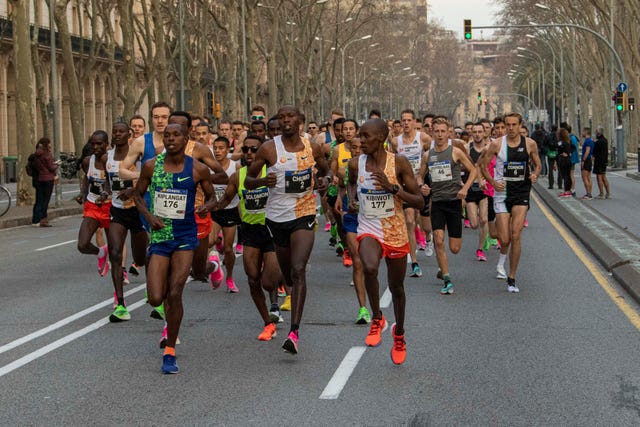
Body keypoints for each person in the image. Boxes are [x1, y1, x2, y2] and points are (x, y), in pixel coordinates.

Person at [244, 105, 329, 355]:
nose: (286, 120)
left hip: (303, 213)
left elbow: (325, 169)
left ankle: (294, 331)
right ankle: (290, 288)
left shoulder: (311, 146)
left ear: (300, 120)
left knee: (298, 268)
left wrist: (324, 180)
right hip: (276, 218)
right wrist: (262, 181)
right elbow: (248, 180)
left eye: (290, 116)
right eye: (282, 117)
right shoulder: (269, 148)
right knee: (288, 275)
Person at [134, 123, 215, 374]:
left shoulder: (197, 169)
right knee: (156, 297)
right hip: (160, 237)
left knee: (176, 291)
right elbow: (137, 195)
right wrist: (148, 217)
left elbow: (213, 197)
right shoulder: (151, 166)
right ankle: (168, 319)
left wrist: (205, 207)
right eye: (167, 135)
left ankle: (170, 350)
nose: (170, 139)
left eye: (176, 135)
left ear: (185, 138)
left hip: (184, 236)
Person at [347, 118, 424, 365]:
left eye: (366, 136)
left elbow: (419, 202)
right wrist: (350, 199)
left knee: (397, 287)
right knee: (368, 266)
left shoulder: (398, 163)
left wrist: (393, 189)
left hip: (395, 231)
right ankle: (377, 318)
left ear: (380, 137)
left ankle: (399, 333)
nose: (360, 141)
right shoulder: (355, 164)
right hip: (369, 226)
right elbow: (349, 185)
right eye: (360, 136)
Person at [208, 134, 283, 340]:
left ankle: (276, 298)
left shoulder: (273, 172)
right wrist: (204, 208)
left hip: (272, 229)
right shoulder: (238, 176)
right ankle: (267, 323)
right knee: (252, 278)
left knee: (269, 280)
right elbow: (224, 201)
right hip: (250, 230)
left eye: (254, 149)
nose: (249, 153)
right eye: (246, 149)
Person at [479, 113, 541, 293]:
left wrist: (535, 174)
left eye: (514, 124)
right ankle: (502, 260)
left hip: (521, 192)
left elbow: (537, 164)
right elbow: (483, 165)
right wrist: (492, 182)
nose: (511, 128)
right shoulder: (497, 144)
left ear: (521, 125)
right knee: (504, 238)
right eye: (508, 125)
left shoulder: (530, 144)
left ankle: (512, 277)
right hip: (502, 193)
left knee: (516, 234)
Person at [420, 117, 477, 294]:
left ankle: (442, 267)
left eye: (443, 131)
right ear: (432, 132)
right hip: (436, 202)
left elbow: (473, 170)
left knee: (455, 248)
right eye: (436, 131)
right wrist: (422, 185)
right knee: (438, 239)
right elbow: (419, 176)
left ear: (448, 132)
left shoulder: (456, 152)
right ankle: (446, 278)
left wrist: (465, 189)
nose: (440, 134)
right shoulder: (428, 155)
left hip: (453, 202)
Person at [105, 122, 148, 322]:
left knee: (142, 257)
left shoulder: (137, 156)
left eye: (121, 131)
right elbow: (108, 179)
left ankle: (153, 291)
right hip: (118, 211)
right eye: (114, 131)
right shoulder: (108, 157)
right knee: (114, 253)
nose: (117, 134)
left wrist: (133, 189)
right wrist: (106, 192)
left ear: (128, 134)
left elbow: (148, 178)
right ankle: (120, 304)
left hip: (138, 211)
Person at [77, 131, 111, 277]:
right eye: (93, 144)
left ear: (106, 145)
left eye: (99, 144)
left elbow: (111, 181)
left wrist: (105, 193)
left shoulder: (111, 161)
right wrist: (82, 193)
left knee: (116, 250)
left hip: (111, 207)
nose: (96, 147)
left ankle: (119, 274)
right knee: (82, 245)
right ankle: (101, 252)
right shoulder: (87, 161)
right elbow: (87, 178)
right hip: (93, 205)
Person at [31, 137, 58, 227]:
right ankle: (43, 219)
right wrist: (57, 164)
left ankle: (35, 220)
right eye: (49, 143)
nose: (50, 145)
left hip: (39, 178)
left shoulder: (36, 155)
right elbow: (51, 167)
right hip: (48, 179)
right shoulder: (47, 154)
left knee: (39, 200)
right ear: (47, 144)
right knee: (45, 200)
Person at [593, 126, 611, 199]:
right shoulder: (605, 140)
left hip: (599, 161)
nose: (596, 132)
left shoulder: (598, 141)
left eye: (596, 131)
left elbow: (595, 151)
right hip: (604, 161)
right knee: (604, 176)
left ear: (599, 132)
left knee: (599, 177)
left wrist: (594, 142)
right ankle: (608, 193)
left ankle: (601, 194)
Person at [556, 128, 574, 198]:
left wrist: (565, 153)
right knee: (568, 175)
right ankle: (568, 190)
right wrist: (569, 153)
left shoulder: (561, 142)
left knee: (565, 176)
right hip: (568, 159)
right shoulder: (568, 141)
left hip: (563, 160)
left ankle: (567, 191)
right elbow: (573, 147)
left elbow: (557, 148)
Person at [579, 127, 595, 200]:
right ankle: (589, 193)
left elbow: (587, 151)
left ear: (586, 132)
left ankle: (588, 194)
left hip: (586, 160)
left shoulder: (588, 141)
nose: (582, 133)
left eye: (583, 131)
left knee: (585, 177)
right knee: (588, 177)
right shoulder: (591, 140)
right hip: (589, 159)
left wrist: (583, 160)